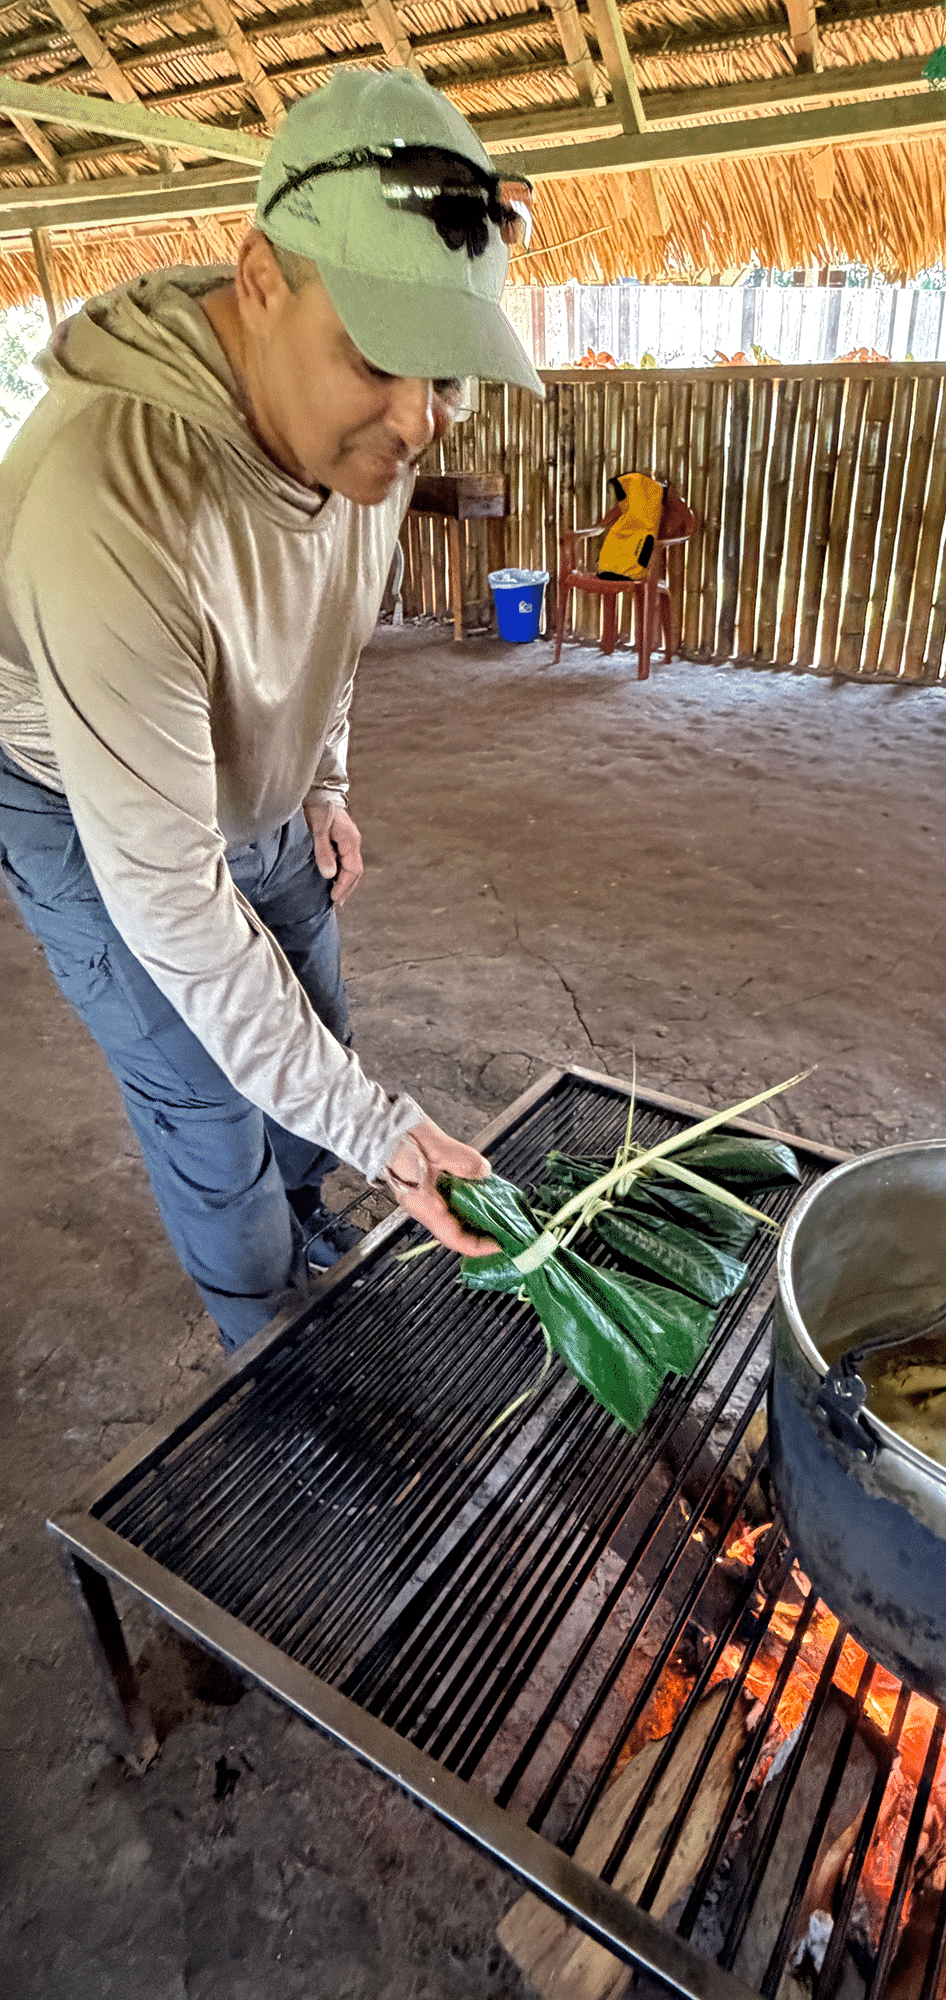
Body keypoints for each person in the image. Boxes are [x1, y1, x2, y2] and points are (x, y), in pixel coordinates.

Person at [0, 69, 540, 1348]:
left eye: (450, 379)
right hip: (82, 796)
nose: (419, 422)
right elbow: (175, 898)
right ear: (259, 280)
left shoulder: (374, 434)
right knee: (207, 1095)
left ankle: (311, 1227)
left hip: (250, 773)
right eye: (381, 358)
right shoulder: (111, 495)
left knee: (312, 1008)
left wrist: (326, 781)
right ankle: (264, 1343)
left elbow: (326, 624)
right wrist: (387, 1132)